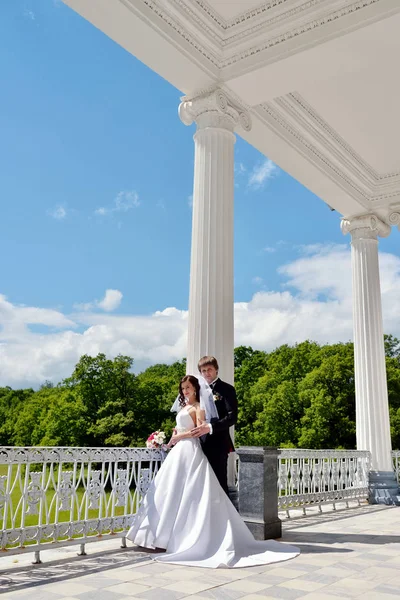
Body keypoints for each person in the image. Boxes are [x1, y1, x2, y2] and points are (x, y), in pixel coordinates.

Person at [126, 374, 299, 568]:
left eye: (188, 388)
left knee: (189, 493)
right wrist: (168, 438)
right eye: (183, 389)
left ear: (195, 389)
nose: (185, 391)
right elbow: (180, 428)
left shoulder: (199, 407)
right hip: (179, 452)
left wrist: (178, 437)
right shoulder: (183, 407)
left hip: (190, 449)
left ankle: (178, 539)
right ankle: (158, 538)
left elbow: (198, 431)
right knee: (168, 491)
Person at [190, 356, 236, 495]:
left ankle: (223, 516)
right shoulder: (196, 392)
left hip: (219, 443)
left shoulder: (227, 389)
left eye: (209, 369)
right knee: (200, 483)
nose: (206, 373)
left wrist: (210, 427)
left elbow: (232, 417)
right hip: (199, 444)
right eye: (203, 370)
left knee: (219, 482)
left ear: (216, 370)